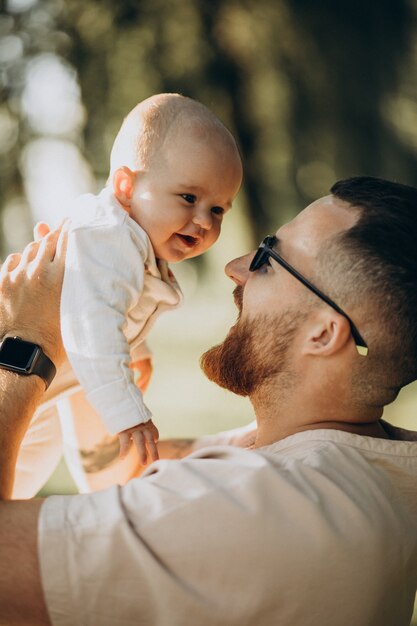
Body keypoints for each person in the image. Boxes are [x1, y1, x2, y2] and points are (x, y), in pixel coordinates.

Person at [1, 176, 417, 626]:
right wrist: (93, 337)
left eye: (268, 258)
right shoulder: (376, 466)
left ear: (324, 333)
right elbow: (120, 475)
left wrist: (25, 342)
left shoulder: (245, 504)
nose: (236, 267)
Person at [12, 93, 243, 498]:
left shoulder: (130, 238)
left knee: (22, 476)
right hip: (25, 361)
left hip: (51, 376)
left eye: (219, 209)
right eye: (189, 197)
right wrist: (128, 416)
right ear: (125, 185)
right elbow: (93, 323)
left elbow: (104, 296)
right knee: (19, 475)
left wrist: (137, 345)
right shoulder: (111, 237)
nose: (204, 220)